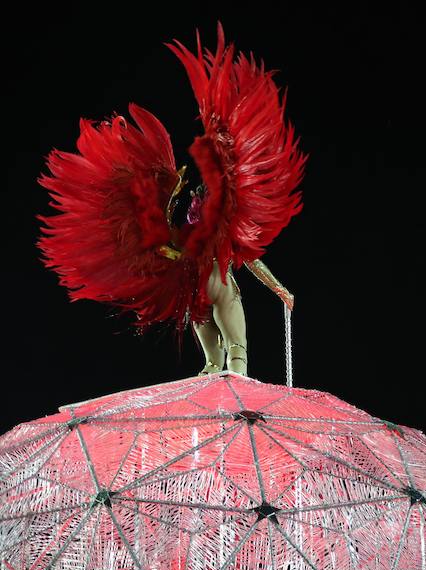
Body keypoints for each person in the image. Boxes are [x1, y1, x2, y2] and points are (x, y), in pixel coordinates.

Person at [37, 23, 305, 377]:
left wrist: (280, 290)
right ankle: (229, 399)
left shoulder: (197, 236)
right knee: (234, 358)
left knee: (215, 364)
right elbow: (251, 260)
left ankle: (222, 391)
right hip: (211, 290)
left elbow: (207, 253)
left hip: (195, 294)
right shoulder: (213, 236)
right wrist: (280, 290)